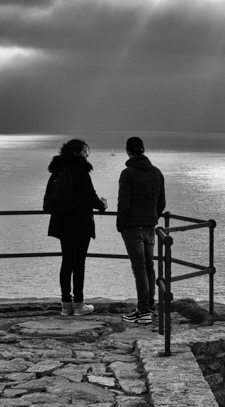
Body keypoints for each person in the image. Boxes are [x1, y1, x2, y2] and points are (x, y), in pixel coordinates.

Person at [44, 138, 107, 316]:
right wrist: (102, 205)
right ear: (76, 153)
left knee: (66, 262)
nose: (86, 155)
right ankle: (78, 304)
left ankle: (66, 305)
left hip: (62, 221)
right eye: (84, 151)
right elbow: (90, 195)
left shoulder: (58, 170)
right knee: (79, 263)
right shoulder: (80, 171)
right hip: (79, 222)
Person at [117, 136, 166, 324]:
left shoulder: (127, 174)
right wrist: (153, 218)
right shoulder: (157, 172)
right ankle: (150, 306)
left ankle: (143, 310)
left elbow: (124, 204)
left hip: (132, 227)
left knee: (139, 269)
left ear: (128, 151)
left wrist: (121, 225)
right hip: (149, 226)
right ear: (143, 150)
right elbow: (161, 202)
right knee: (149, 266)